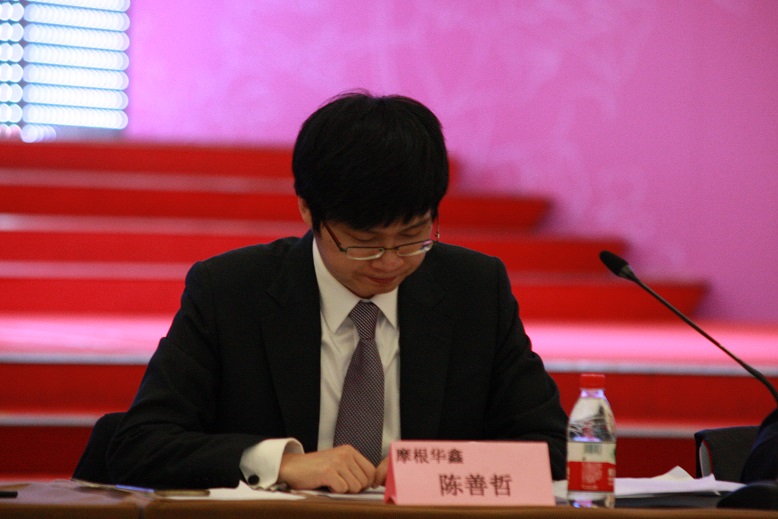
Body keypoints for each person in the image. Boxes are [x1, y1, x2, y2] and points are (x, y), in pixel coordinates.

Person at [106, 91, 568, 492]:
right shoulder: (230, 291)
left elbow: (551, 447)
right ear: (308, 211)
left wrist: (430, 469)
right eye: (364, 243)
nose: (390, 261)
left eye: (413, 237)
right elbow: (140, 444)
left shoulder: (474, 290)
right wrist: (281, 464)